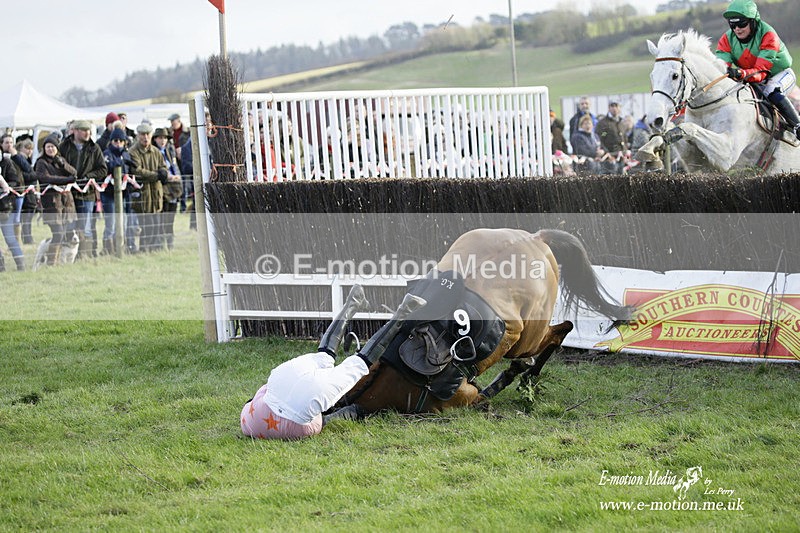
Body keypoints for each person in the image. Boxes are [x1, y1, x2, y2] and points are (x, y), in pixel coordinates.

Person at [240, 285, 425, 440]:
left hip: (304, 403)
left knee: (361, 362)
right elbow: (263, 392)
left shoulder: (250, 424)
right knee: (324, 356)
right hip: (283, 376)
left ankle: (404, 311)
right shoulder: (248, 415)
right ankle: (353, 304)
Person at [716, 0, 800, 138]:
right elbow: (720, 66)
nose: (737, 28)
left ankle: (797, 125)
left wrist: (740, 73)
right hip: (752, 77)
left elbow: (761, 71)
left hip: (780, 74)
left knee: (771, 90)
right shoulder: (726, 39)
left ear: (753, 21)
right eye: (732, 24)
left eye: (742, 23)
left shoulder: (768, 35)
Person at [59, 120, 107, 259]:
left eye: (89, 131)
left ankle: (84, 255)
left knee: (85, 227)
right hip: (69, 194)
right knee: (70, 225)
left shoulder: (94, 148)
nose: (88, 133)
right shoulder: (64, 146)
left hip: (87, 194)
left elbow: (103, 169)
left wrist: (88, 176)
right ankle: (68, 257)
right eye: (84, 130)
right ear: (75, 131)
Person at [33, 134, 77, 266]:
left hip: (65, 202)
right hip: (52, 203)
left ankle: (58, 261)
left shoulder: (60, 160)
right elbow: (45, 178)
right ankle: (51, 262)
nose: (50, 149)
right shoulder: (41, 163)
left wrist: (63, 165)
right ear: (44, 148)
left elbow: (74, 173)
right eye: (48, 147)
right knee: (57, 233)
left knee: (63, 233)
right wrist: (66, 180)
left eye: (53, 146)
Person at [129, 123, 167, 252]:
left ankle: (154, 248)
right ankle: (144, 249)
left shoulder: (156, 151)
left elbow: (163, 166)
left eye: (147, 134)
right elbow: (137, 171)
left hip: (156, 194)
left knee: (156, 224)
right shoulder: (133, 152)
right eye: (142, 134)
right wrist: (157, 175)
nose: (145, 137)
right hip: (142, 194)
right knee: (145, 224)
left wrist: (163, 172)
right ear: (138, 135)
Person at [100, 128, 135, 255]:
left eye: (121, 140)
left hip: (124, 194)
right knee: (111, 223)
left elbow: (130, 169)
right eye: (115, 140)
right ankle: (108, 249)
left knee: (124, 222)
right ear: (111, 141)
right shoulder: (106, 154)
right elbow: (110, 167)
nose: (118, 143)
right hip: (109, 194)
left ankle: (121, 247)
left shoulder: (126, 154)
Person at [152, 128, 182, 250]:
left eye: (165, 138)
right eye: (160, 138)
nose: (163, 140)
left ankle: (170, 244)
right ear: (155, 139)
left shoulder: (170, 150)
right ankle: (160, 244)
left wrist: (177, 177)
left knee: (170, 218)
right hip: (162, 187)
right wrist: (167, 176)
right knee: (162, 218)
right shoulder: (154, 152)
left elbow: (175, 166)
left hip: (174, 188)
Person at [0, 148, 25, 270]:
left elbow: (16, 182)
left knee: (10, 239)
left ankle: (21, 265)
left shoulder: (7, 163)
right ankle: (1, 267)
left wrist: (4, 188)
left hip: (5, 208)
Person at [10, 137, 38, 244]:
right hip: (22, 193)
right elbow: (28, 174)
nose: (29, 151)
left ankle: (27, 238)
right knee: (23, 218)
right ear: (20, 148)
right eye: (27, 148)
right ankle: (26, 239)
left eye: (31, 149)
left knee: (28, 218)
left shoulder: (27, 160)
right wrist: (32, 175)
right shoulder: (18, 159)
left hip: (30, 193)